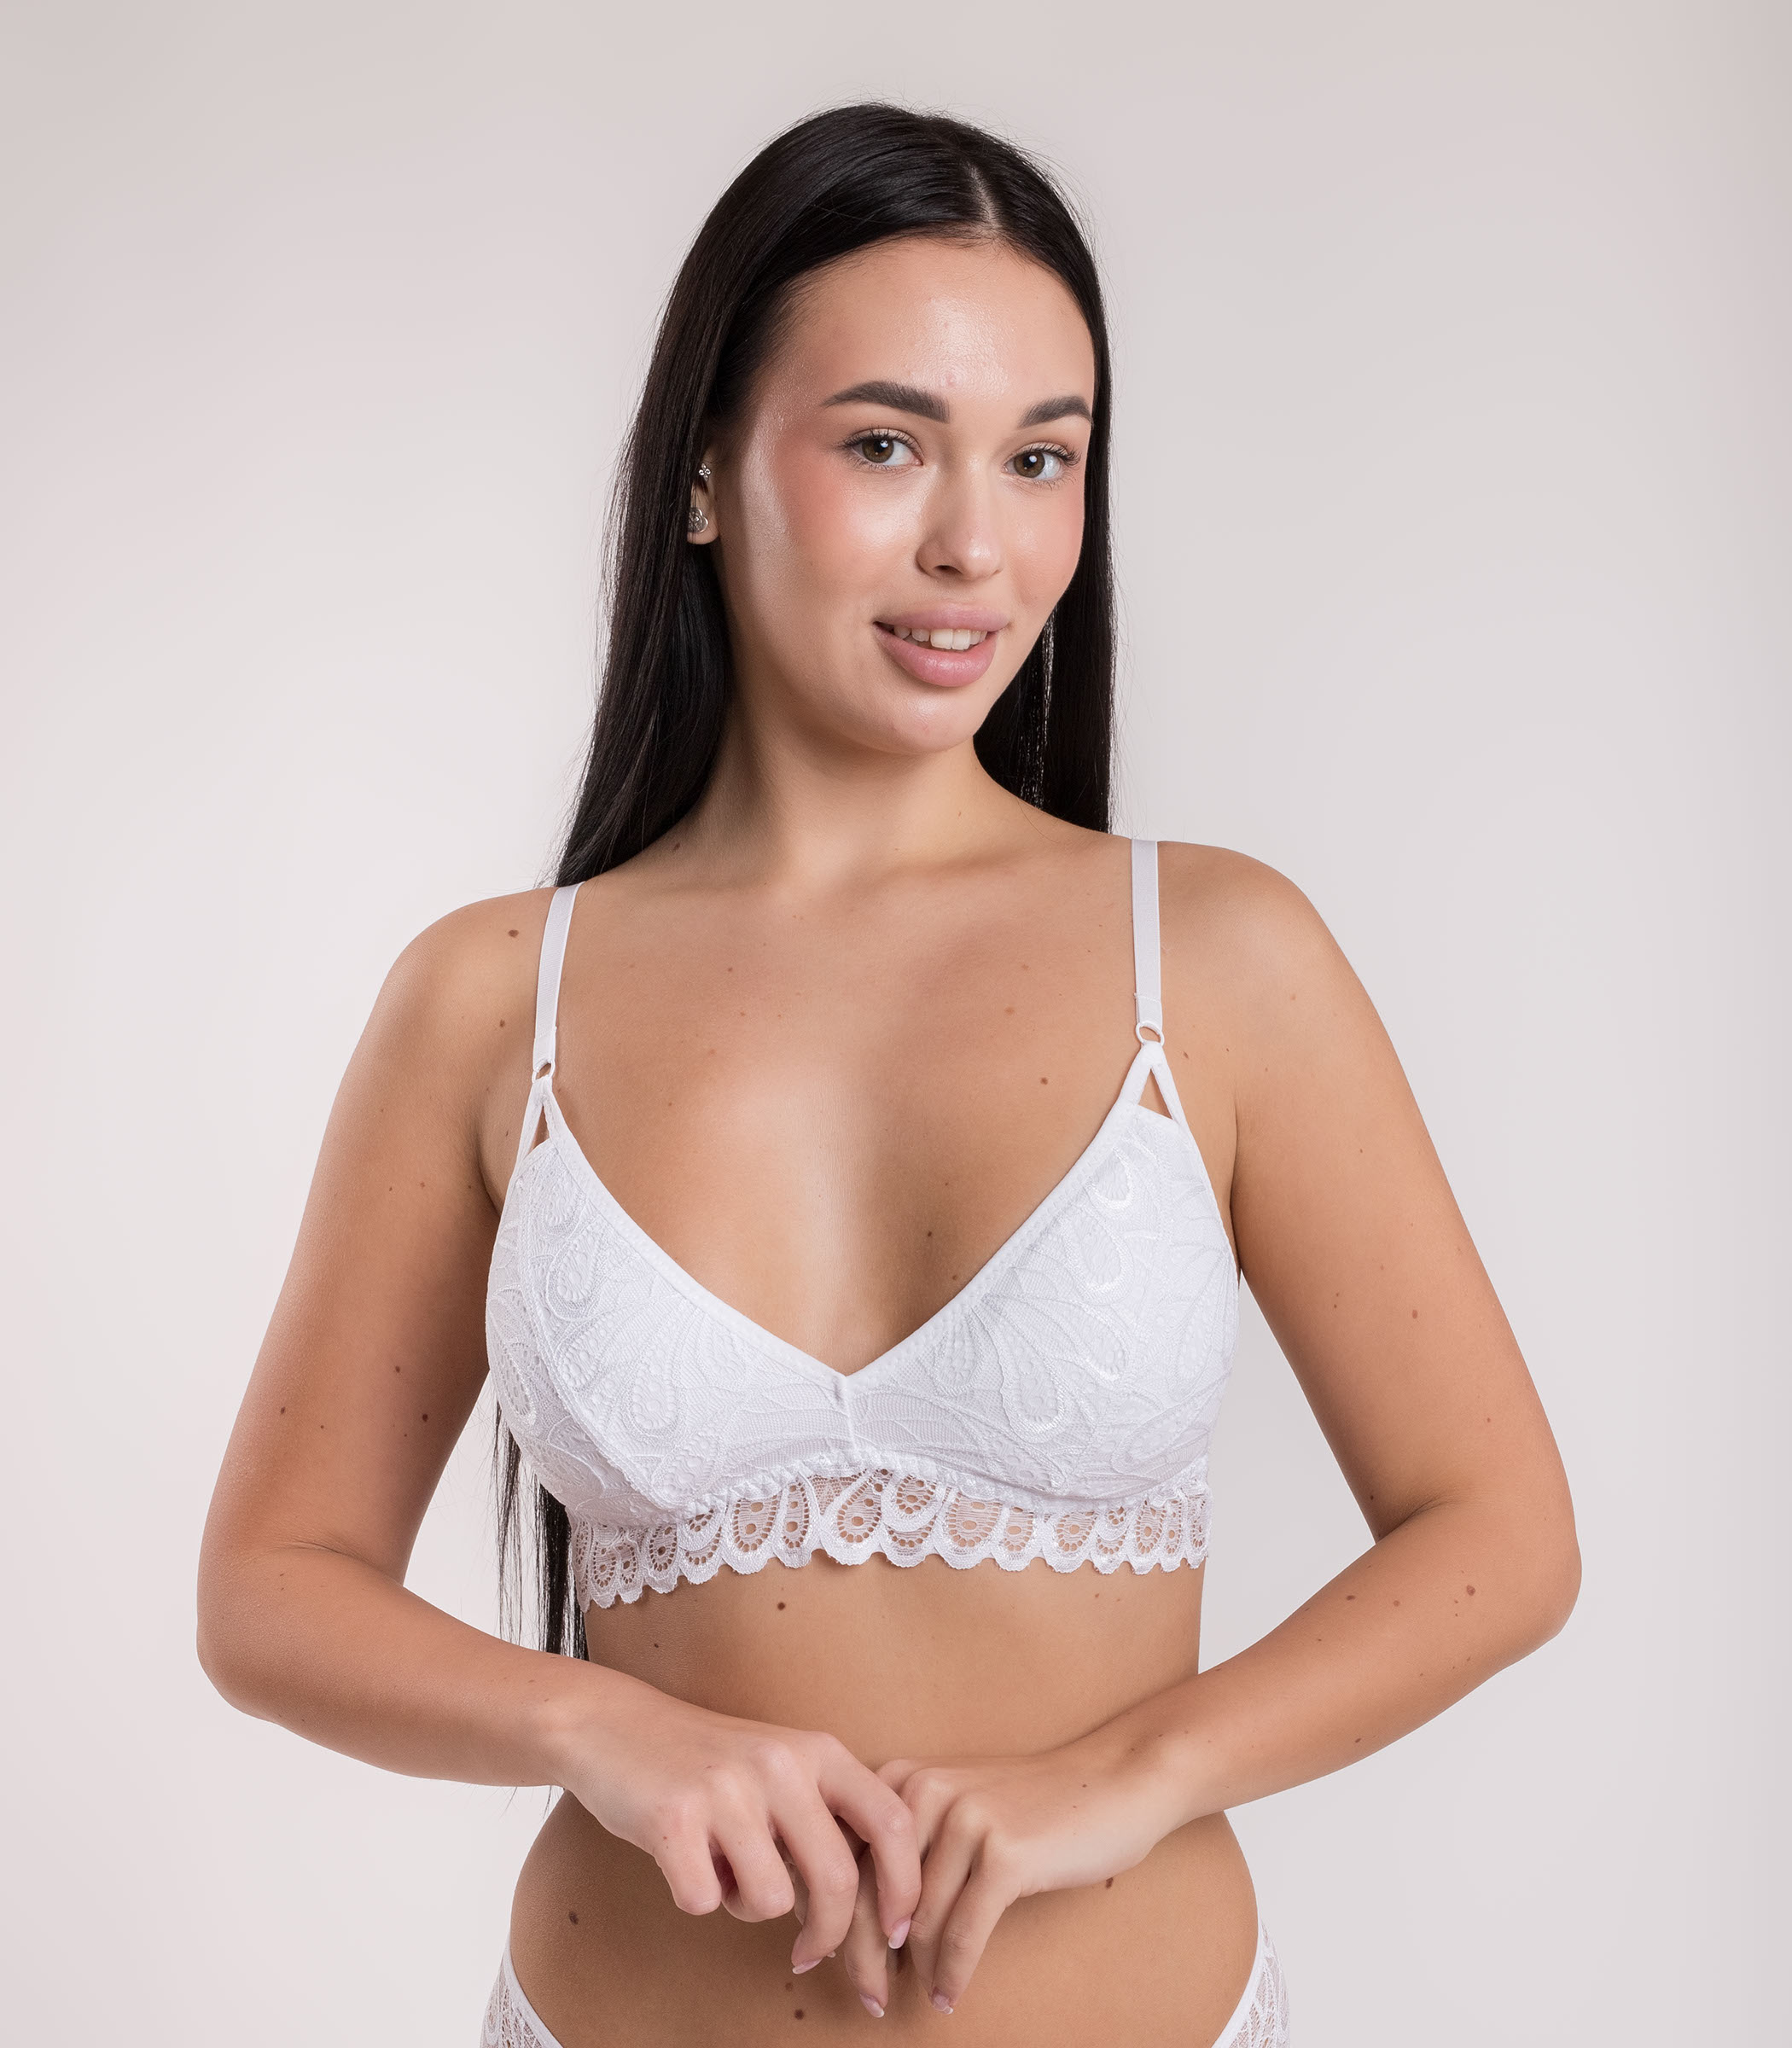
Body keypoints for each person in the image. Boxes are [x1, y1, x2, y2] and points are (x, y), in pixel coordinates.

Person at [197, 104, 1580, 2047]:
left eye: (1041, 458)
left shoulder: (1218, 960)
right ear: (700, 474)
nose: (974, 545)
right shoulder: (494, 1001)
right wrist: (604, 1728)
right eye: (883, 444)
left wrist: (1132, 1777)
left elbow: (1498, 1532)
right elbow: (273, 1586)